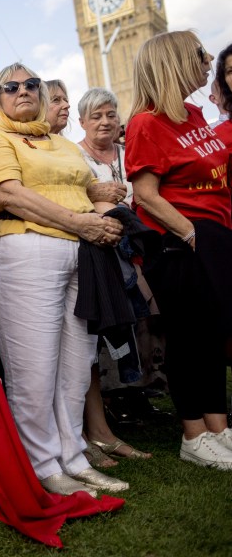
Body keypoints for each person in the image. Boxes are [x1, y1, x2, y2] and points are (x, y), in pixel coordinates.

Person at [0, 62, 129, 498]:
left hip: (77, 253)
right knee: (34, 368)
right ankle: (42, 462)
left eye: (31, 84)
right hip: (23, 249)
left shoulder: (58, 140)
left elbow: (79, 184)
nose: (22, 91)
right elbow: (8, 194)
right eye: (10, 86)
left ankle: (73, 454)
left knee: (76, 364)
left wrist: (98, 198)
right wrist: (82, 222)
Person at [126, 32, 232, 469]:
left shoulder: (191, 114)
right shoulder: (146, 123)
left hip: (211, 237)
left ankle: (219, 428)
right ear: (174, 63)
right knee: (189, 339)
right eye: (200, 54)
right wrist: (192, 236)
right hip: (179, 245)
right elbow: (146, 194)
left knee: (210, 337)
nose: (209, 58)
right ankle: (193, 433)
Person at [75, 87, 153, 467]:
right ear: (82, 122)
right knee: (99, 336)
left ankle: (138, 396)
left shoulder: (129, 151)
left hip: (140, 250)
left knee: (144, 324)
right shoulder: (75, 156)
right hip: (102, 252)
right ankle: (102, 421)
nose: (105, 122)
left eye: (110, 115)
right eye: (96, 117)